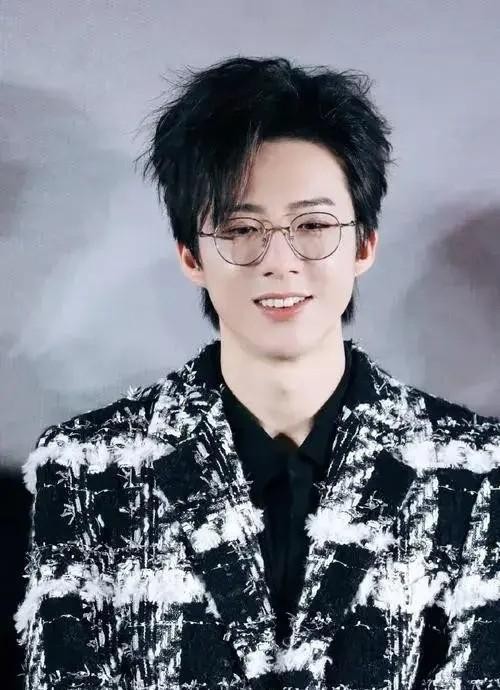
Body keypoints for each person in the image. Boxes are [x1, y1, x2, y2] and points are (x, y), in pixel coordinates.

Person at [15, 56, 500, 690]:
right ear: (192, 255)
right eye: (242, 228)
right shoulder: (87, 469)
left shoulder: (475, 469)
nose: (279, 261)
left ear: (363, 245)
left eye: (313, 225)